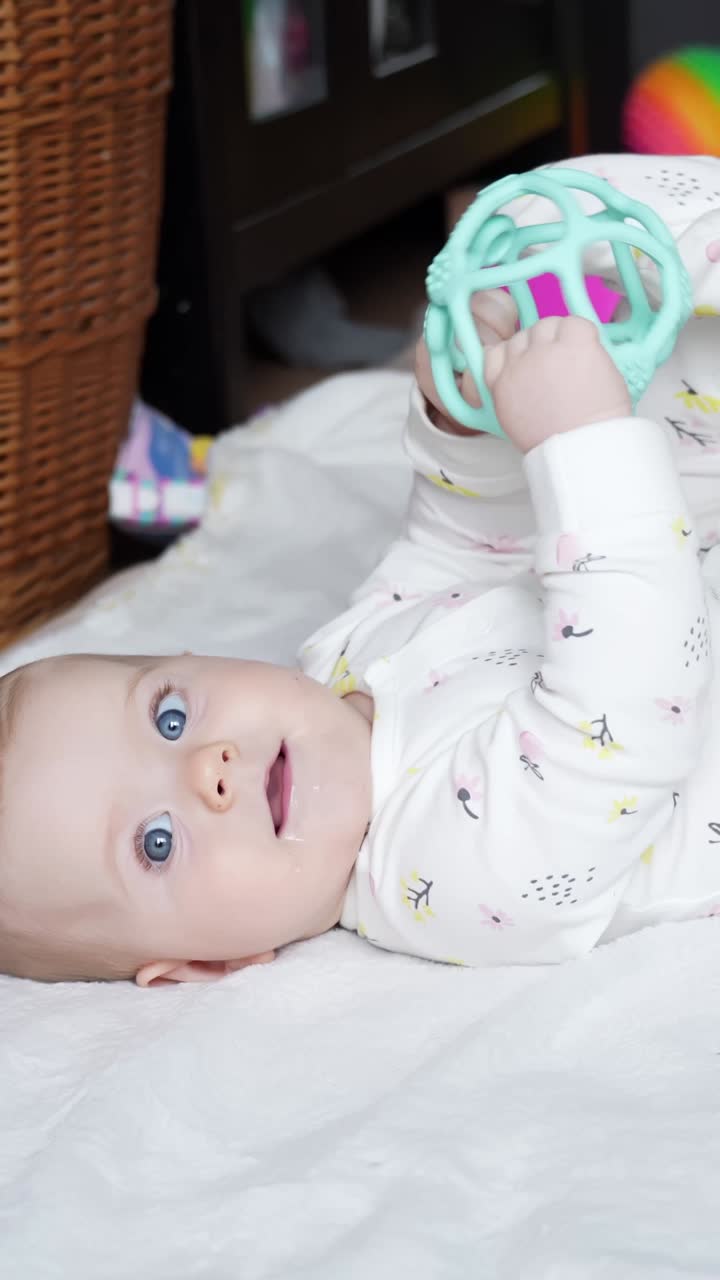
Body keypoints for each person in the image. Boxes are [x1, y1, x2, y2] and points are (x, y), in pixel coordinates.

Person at [1, 155, 720, 985]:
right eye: (155, 844)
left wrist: (461, 426)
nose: (209, 770)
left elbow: (460, 550)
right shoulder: (446, 880)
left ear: (192, 659)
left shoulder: (339, 666)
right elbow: (631, 701)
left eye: (169, 717)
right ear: (208, 961)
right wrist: (578, 441)